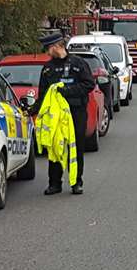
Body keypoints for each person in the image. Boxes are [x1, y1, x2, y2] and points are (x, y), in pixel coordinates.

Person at [32, 30, 93, 195]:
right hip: (56, 116)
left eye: (48, 48)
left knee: (76, 148)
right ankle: (54, 183)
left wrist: (66, 91)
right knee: (55, 146)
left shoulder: (78, 63)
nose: (47, 52)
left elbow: (89, 85)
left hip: (76, 112)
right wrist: (33, 111)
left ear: (55, 46)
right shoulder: (48, 69)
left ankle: (76, 182)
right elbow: (43, 94)